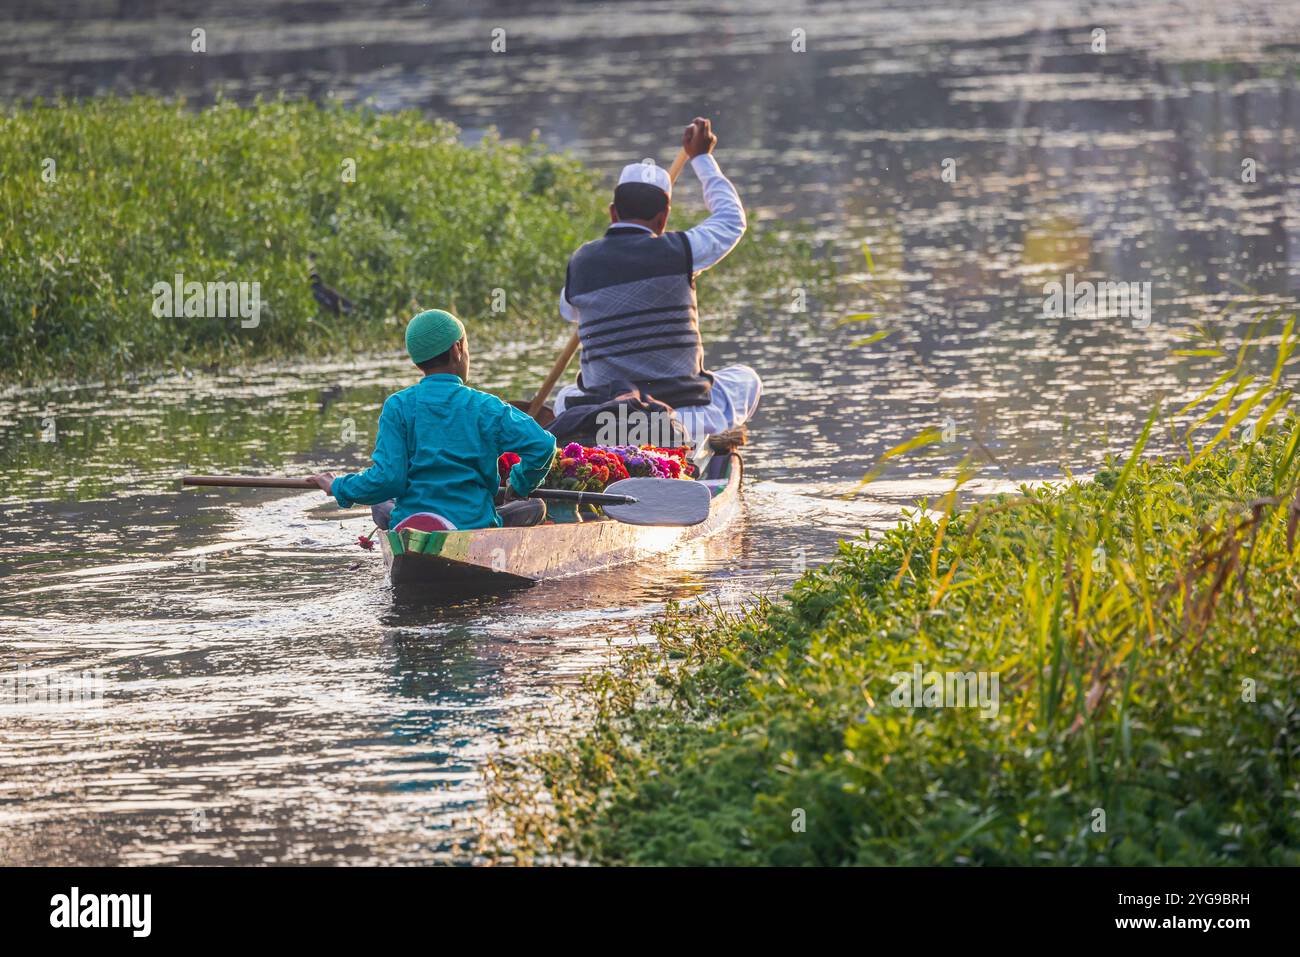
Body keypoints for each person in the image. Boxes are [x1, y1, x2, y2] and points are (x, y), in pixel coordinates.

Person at [552, 116, 762, 444]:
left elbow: (569, 311)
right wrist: (702, 158)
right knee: (747, 380)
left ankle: (615, 442)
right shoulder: (681, 250)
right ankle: (694, 445)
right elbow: (732, 220)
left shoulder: (581, 262)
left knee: (566, 397)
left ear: (612, 213)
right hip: (684, 417)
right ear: (663, 218)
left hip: (606, 421)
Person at [307, 309, 556, 529]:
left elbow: (387, 480)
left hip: (412, 523)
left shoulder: (397, 406)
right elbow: (543, 446)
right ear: (457, 350)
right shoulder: (486, 406)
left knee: (381, 504)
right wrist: (520, 483)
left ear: (418, 363)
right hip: (472, 524)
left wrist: (338, 486)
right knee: (536, 506)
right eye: (466, 347)